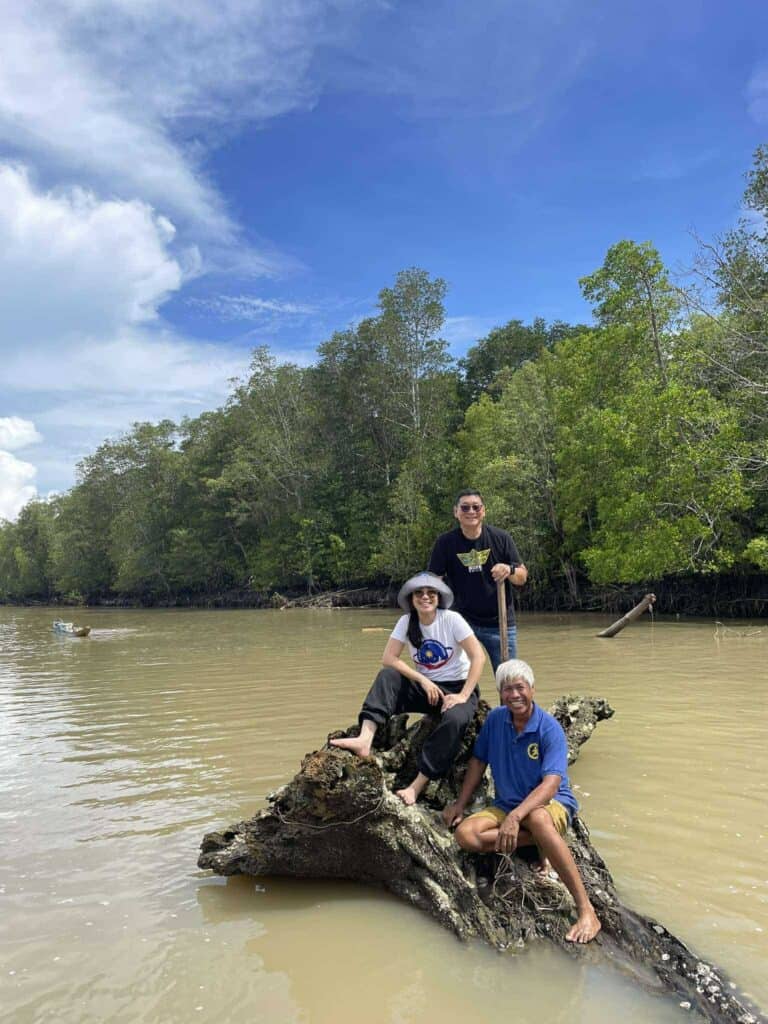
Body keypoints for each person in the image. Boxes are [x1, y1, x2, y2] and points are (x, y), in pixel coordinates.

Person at [442, 658, 601, 944]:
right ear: (501, 693)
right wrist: (460, 804)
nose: (514, 695)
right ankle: (540, 841)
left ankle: (586, 909)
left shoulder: (549, 728)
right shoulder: (495, 720)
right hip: (506, 804)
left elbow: (551, 785)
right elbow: (478, 761)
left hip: (550, 803)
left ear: (532, 689)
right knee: (465, 835)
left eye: (520, 687)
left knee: (536, 817)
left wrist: (516, 817)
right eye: (507, 689)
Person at [331, 572, 485, 806]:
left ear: (439, 598)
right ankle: (365, 738)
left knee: (455, 721)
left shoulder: (452, 619)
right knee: (388, 676)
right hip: (428, 688)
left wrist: (463, 695)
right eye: (419, 593)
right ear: (411, 599)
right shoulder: (406, 621)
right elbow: (389, 658)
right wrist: (422, 680)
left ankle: (416, 786)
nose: (425, 597)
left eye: (431, 593)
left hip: (458, 687)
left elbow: (478, 657)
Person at [428, 489, 527, 672]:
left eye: (476, 507)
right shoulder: (445, 543)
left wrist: (509, 570)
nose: (471, 511)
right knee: (456, 676)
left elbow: (522, 577)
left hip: (499, 623)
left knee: (508, 676)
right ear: (456, 512)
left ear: (484, 511)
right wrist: (432, 618)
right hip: (460, 622)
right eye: (465, 508)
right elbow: (433, 582)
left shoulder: (501, 538)